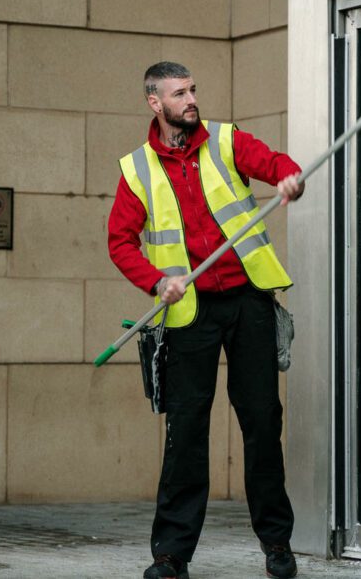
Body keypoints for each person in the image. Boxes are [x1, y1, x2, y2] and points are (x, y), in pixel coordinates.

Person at [108, 61, 304, 579]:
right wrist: (156, 281)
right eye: (180, 93)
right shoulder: (138, 169)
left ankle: (278, 545)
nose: (191, 99)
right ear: (155, 103)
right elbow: (120, 243)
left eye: (193, 89)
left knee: (262, 422)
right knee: (186, 431)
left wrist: (287, 176)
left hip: (248, 302)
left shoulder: (226, 141)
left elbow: (274, 161)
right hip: (188, 312)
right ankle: (171, 556)